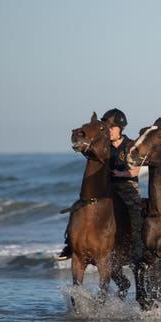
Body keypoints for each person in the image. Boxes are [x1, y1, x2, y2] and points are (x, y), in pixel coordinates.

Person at [58, 108, 144, 262]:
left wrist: (122, 174)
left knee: (136, 214)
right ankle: (70, 245)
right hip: (106, 188)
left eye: (113, 128)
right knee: (78, 206)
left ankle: (138, 250)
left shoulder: (130, 145)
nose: (110, 131)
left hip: (126, 187)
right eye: (108, 128)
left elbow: (136, 171)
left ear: (120, 129)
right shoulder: (104, 145)